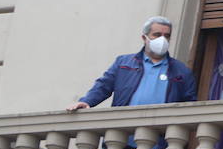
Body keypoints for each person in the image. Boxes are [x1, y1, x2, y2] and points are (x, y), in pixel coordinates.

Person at [68, 16, 197, 109]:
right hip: (122, 137)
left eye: (166, 36)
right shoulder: (123, 63)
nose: (162, 39)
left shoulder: (182, 71)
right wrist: (87, 102)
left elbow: (189, 105)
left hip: (159, 142)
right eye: (157, 35)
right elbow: (103, 86)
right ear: (144, 38)